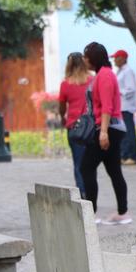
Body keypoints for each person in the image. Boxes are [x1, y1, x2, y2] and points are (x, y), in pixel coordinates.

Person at [80, 42, 132, 226]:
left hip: (107, 128)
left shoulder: (105, 75)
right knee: (114, 170)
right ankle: (122, 212)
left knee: (86, 167)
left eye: (86, 56)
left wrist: (103, 132)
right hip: (109, 128)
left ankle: (92, 213)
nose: (84, 60)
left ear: (93, 58)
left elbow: (107, 106)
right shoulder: (103, 75)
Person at [58, 52, 91, 198]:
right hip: (91, 127)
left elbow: (61, 106)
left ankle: (82, 192)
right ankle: (91, 192)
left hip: (74, 127)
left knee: (78, 163)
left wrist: (62, 117)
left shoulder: (66, 84)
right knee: (90, 163)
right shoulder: (92, 80)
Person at [111, 49, 136, 165]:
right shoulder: (121, 71)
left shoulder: (128, 71)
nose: (114, 61)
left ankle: (132, 156)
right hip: (121, 107)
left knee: (129, 132)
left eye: (115, 58)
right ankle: (124, 155)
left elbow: (131, 89)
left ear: (122, 58)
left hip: (126, 107)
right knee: (123, 132)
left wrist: (117, 91)